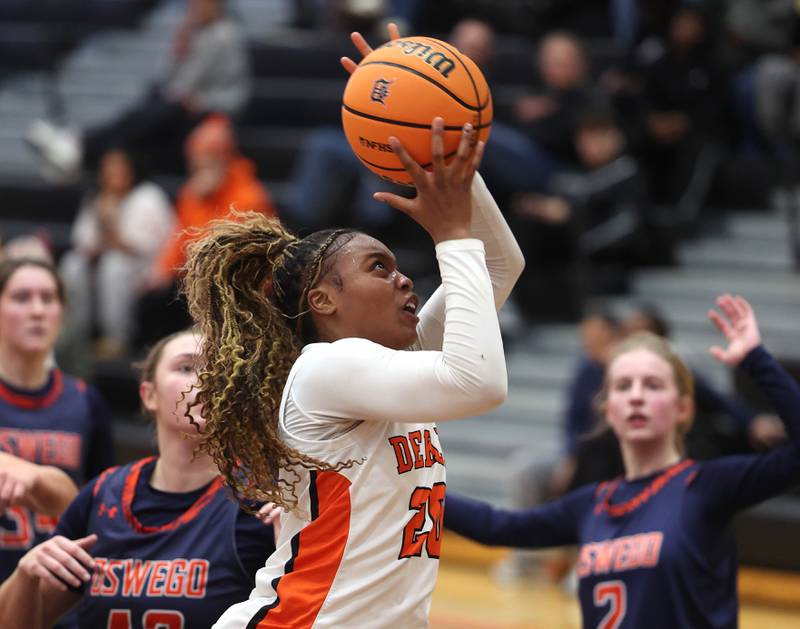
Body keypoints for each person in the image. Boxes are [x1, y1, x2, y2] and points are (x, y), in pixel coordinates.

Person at [180, 23, 522, 622]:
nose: (404, 279)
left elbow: (500, 265)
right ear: (323, 301)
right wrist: (448, 231)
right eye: (378, 268)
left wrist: (443, 150)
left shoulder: (387, 366)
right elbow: (481, 383)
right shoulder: (326, 369)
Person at [445, 294, 800, 628]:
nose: (636, 397)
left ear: (683, 408)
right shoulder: (592, 504)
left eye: (653, 385)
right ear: (608, 410)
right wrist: (424, 487)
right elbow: (498, 527)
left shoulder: (707, 486)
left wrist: (756, 359)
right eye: (624, 386)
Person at [0, 329, 280, 628]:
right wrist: (25, 574)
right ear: (148, 395)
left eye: (218, 368)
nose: (206, 379)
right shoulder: (102, 493)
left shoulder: (259, 502)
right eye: (186, 367)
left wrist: (292, 559)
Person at [27, 0, 252, 179]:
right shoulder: (196, 34)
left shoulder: (224, 34)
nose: (194, 9)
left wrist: (190, 96)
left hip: (211, 111)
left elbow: (185, 85)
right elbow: (172, 80)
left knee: (159, 109)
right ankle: (82, 150)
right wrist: (180, 43)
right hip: (184, 107)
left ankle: (80, 148)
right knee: (148, 109)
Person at [0, 259, 115, 583]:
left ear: (61, 312)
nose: (37, 311)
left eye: (48, 299)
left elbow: (104, 506)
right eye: (22, 298)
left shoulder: (86, 400)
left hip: (61, 591)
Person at [134, 114, 275, 351]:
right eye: (195, 159)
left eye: (206, 158)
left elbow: (230, 251)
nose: (198, 166)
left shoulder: (250, 195)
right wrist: (160, 271)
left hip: (239, 283)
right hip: (196, 277)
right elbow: (178, 239)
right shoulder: (191, 193)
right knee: (154, 298)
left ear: (224, 158)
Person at [59, 148, 174, 357]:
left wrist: (110, 223)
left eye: (120, 168)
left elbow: (140, 247)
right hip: (103, 263)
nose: (114, 174)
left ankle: (117, 339)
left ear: (131, 170)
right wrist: (102, 228)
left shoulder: (148, 197)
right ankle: (76, 334)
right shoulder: (96, 197)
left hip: (148, 268)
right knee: (72, 264)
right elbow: (83, 243)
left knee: (114, 265)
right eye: (109, 169)